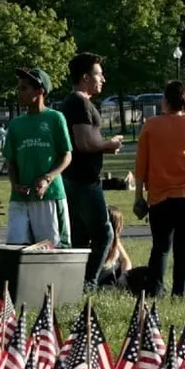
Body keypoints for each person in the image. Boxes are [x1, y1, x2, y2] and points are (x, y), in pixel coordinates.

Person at [61, 52, 124, 287]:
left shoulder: (76, 102)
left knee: (79, 235)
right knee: (104, 234)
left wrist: (106, 144)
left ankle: (73, 284)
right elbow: (84, 143)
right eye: (99, 74)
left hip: (75, 179)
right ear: (86, 77)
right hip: (84, 181)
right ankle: (88, 283)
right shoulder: (79, 102)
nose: (103, 79)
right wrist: (110, 144)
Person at [134, 80, 185, 296]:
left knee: (160, 247)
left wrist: (138, 195)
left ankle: (155, 290)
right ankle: (180, 293)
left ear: (165, 100)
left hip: (160, 197)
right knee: (183, 247)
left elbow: (141, 165)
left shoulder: (151, 125)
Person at [3, 68, 73, 246]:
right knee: (15, 248)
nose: (19, 92)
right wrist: (15, 184)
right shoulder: (16, 124)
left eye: (24, 88)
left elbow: (66, 155)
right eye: (19, 88)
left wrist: (47, 178)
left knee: (51, 249)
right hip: (20, 199)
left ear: (40, 91)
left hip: (48, 196)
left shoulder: (55, 119)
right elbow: (10, 161)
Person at [95, 205, 131, 288]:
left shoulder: (116, 240)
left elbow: (125, 260)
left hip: (116, 274)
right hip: (103, 276)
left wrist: (124, 276)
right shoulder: (96, 239)